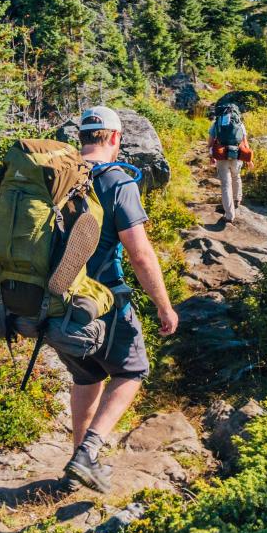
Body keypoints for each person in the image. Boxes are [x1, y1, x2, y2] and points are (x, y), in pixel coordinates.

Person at [61, 106, 179, 492]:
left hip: (55, 301)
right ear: (114, 137)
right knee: (132, 371)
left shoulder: (58, 176)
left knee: (88, 374)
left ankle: (78, 463)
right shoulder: (116, 181)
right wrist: (164, 305)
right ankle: (87, 453)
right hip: (101, 301)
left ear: (82, 137)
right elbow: (139, 254)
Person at [208, 102, 251, 225]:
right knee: (236, 176)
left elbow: (210, 143)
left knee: (226, 184)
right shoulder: (240, 123)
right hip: (237, 155)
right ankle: (237, 199)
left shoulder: (216, 123)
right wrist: (249, 159)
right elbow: (245, 143)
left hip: (222, 155)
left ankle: (229, 215)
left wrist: (211, 156)